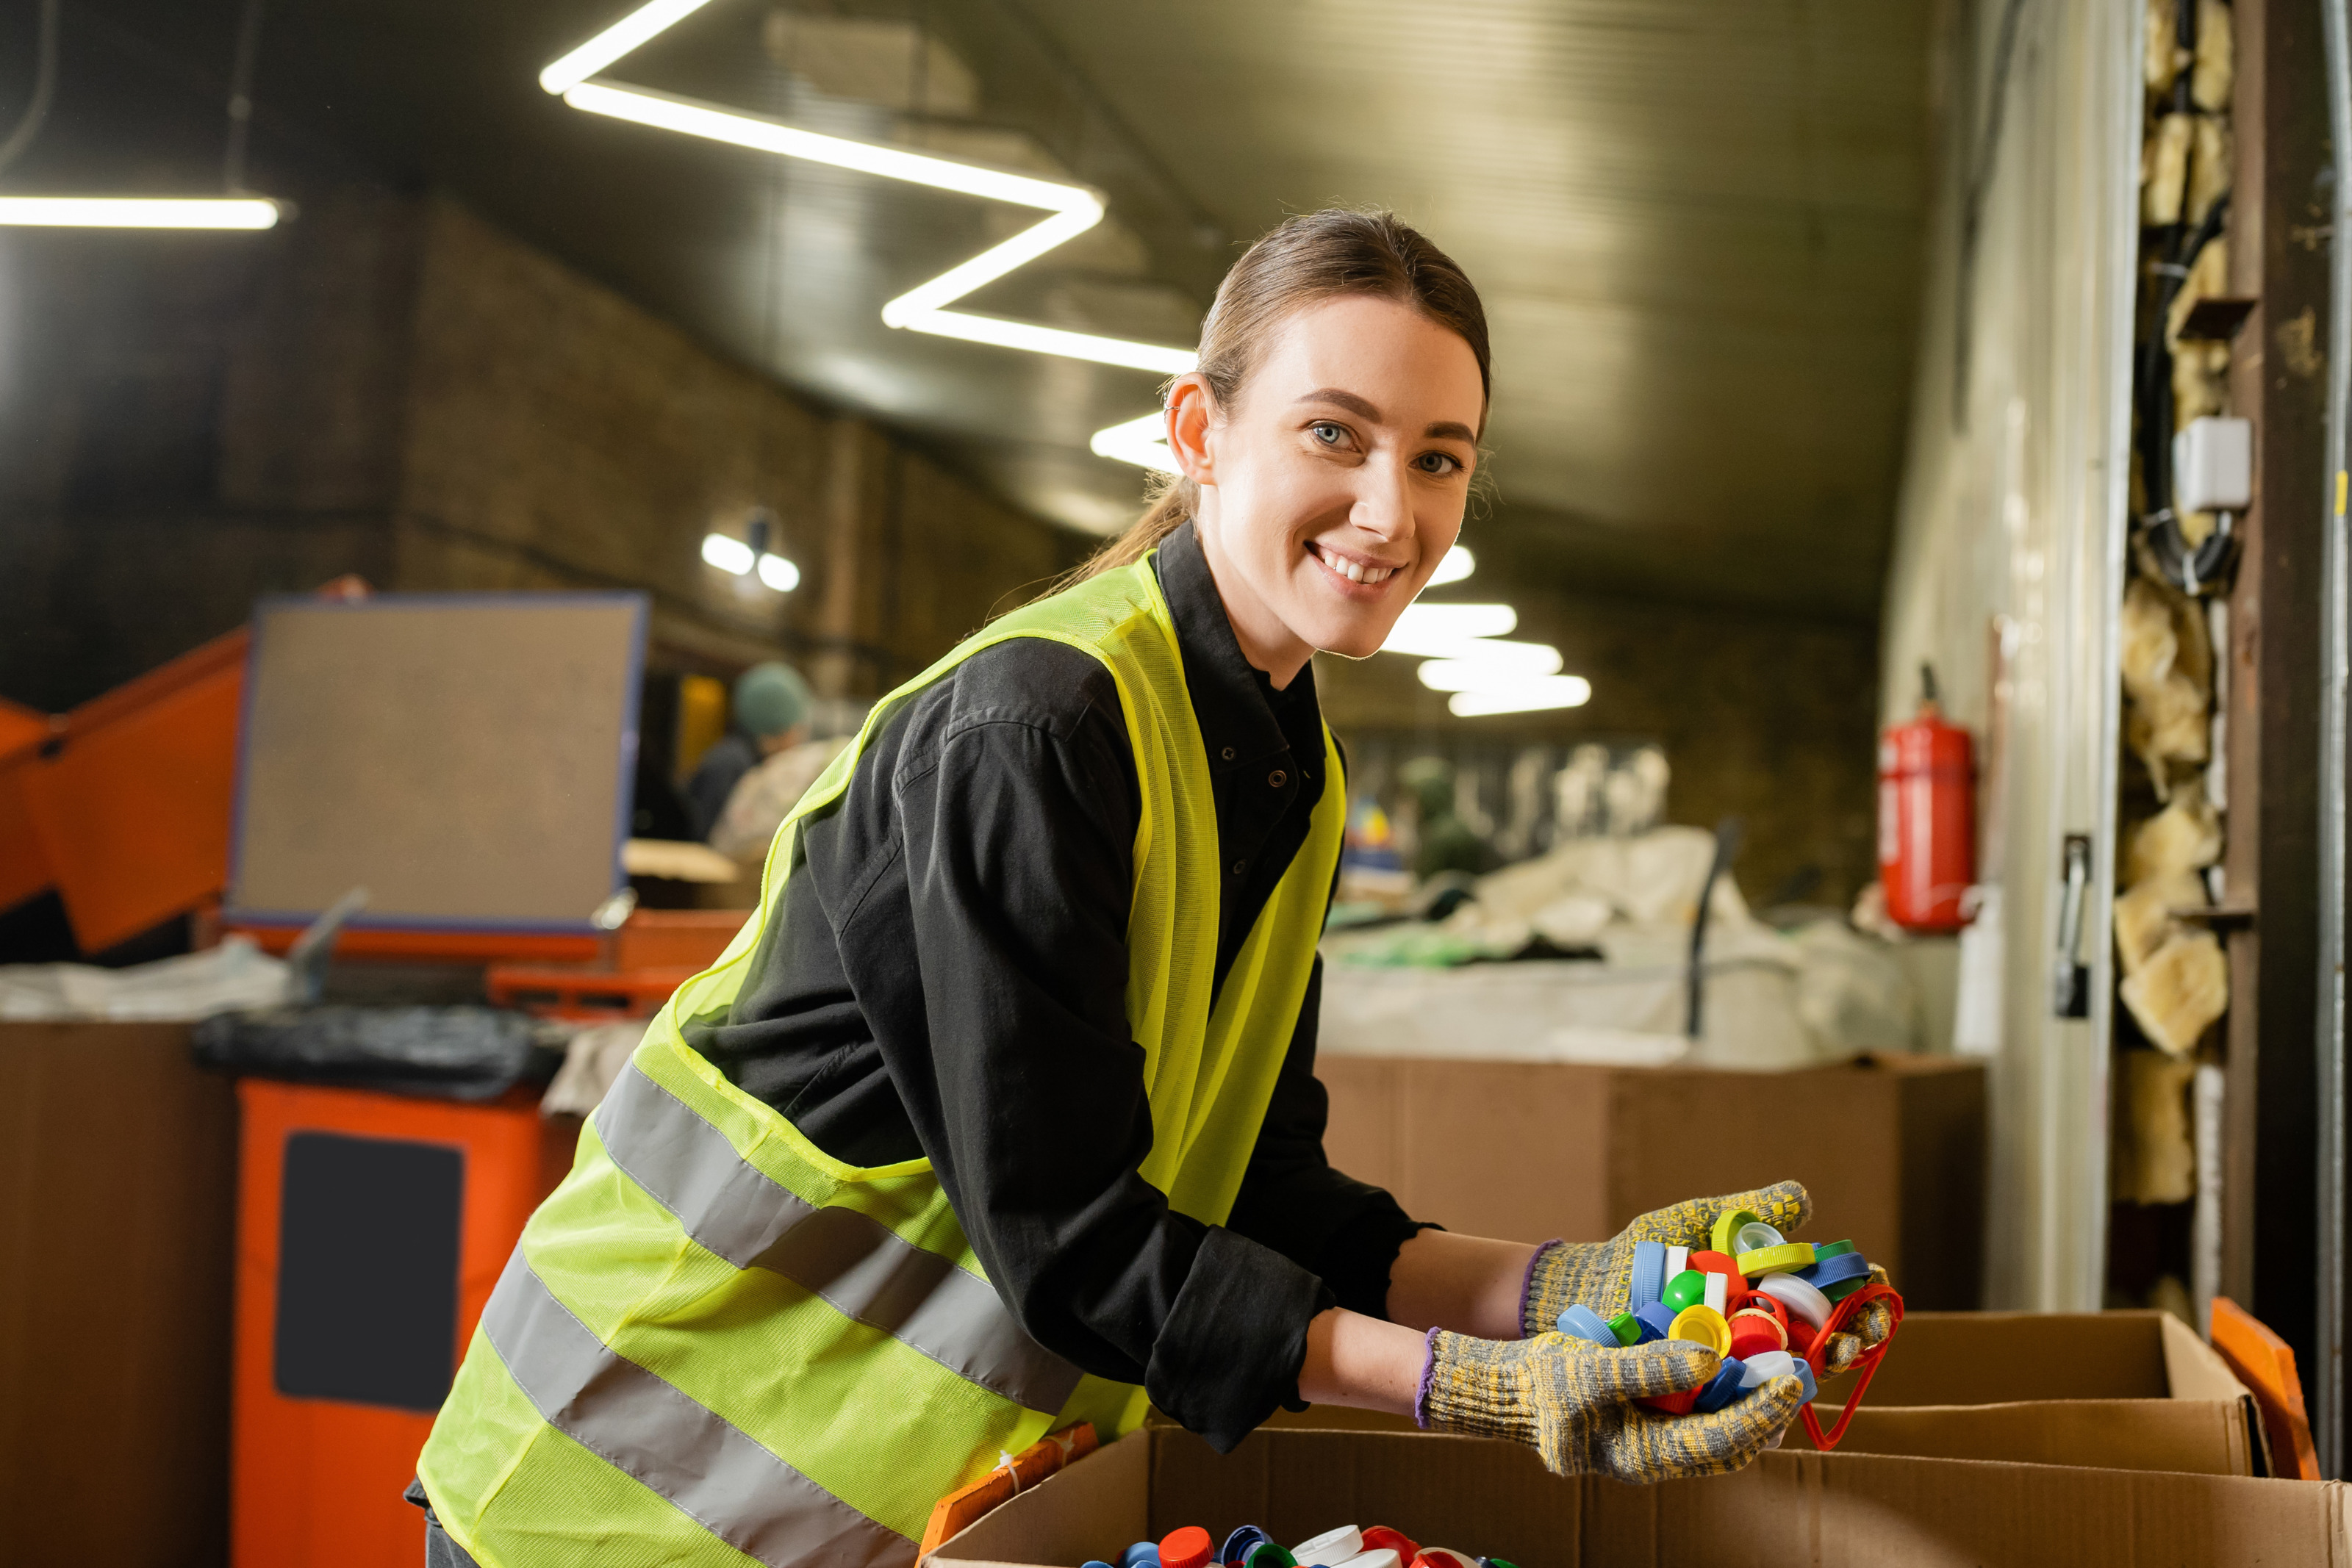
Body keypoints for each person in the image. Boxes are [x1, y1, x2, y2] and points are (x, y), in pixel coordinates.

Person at [409, 211, 1892, 1568]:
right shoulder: (1035, 727)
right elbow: (1075, 1233)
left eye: (1439, 457)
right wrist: (1474, 1384)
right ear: (1200, 428)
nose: (1391, 510)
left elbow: (1254, 1177)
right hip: (613, 1490)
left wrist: (1566, 1284)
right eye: (1336, 433)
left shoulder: (1283, 759)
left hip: (835, 1516)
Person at [683, 660, 812, 841]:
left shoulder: (746, 760)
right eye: (795, 728)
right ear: (778, 729)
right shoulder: (732, 764)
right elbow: (710, 840)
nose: (799, 739)